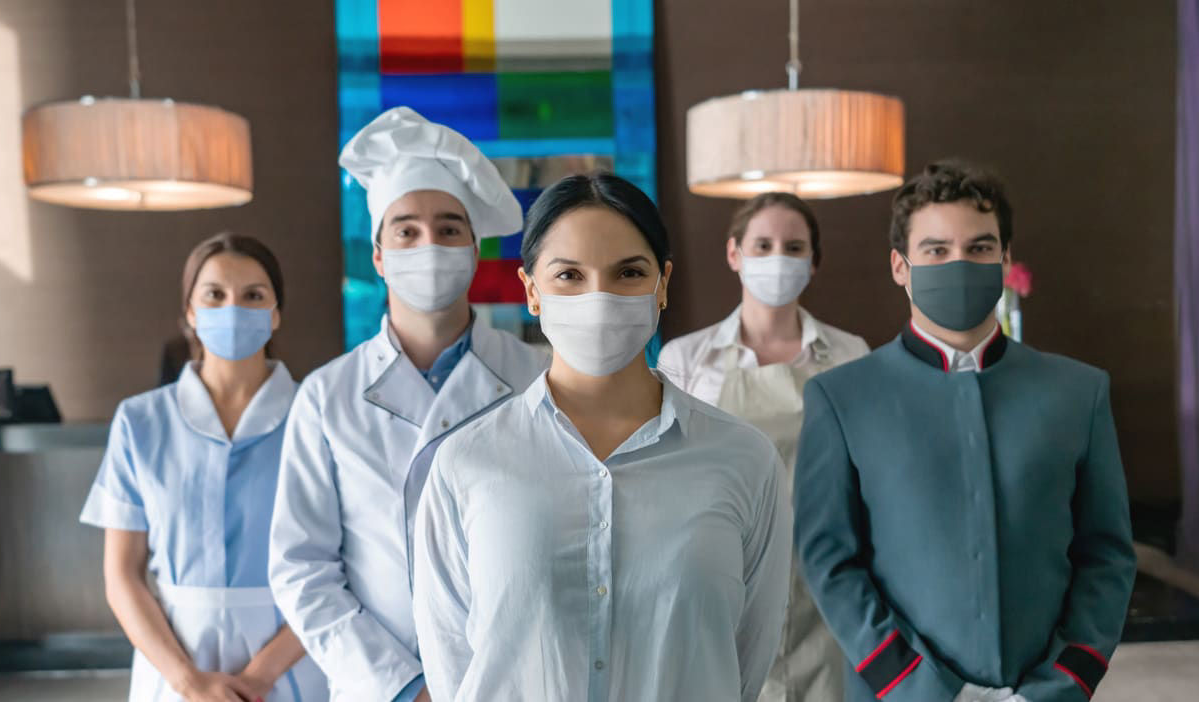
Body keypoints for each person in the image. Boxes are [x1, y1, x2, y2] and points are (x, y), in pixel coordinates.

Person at [412, 173, 792, 702]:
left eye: (628, 273)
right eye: (569, 275)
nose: (599, 297)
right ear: (531, 292)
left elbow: (745, 661)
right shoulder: (466, 463)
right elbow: (454, 667)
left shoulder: (744, 460)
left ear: (662, 284)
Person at [794, 160, 1136, 702]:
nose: (960, 262)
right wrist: (921, 688)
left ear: (1004, 258)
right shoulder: (841, 398)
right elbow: (830, 562)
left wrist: (1061, 683)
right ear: (900, 266)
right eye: (936, 250)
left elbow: (1107, 556)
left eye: (979, 248)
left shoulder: (1078, 392)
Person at [268, 107, 548, 702]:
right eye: (407, 231)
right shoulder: (327, 395)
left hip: (517, 679)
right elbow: (303, 568)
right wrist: (404, 686)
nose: (429, 244)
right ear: (377, 256)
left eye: (449, 229)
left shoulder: (538, 377)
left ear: (475, 251)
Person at [80, 233, 326, 702]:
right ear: (190, 312)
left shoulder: (316, 418)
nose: (233, 308)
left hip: (295, 661)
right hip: (174, 664)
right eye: (214, 294)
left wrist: (259, 678)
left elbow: (340, 566)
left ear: (275, 314)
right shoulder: (141, 422)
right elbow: (122, 575)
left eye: (253, 295)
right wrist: (187, 681)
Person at [659, 192, 869, 702]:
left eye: (794, 247)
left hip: (826, 578)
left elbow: (868, 478)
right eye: (763, 244)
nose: (778, 258)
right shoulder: (686, 360)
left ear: (813, 263)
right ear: (734, 253)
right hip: (723, 573)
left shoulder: (851, 356)